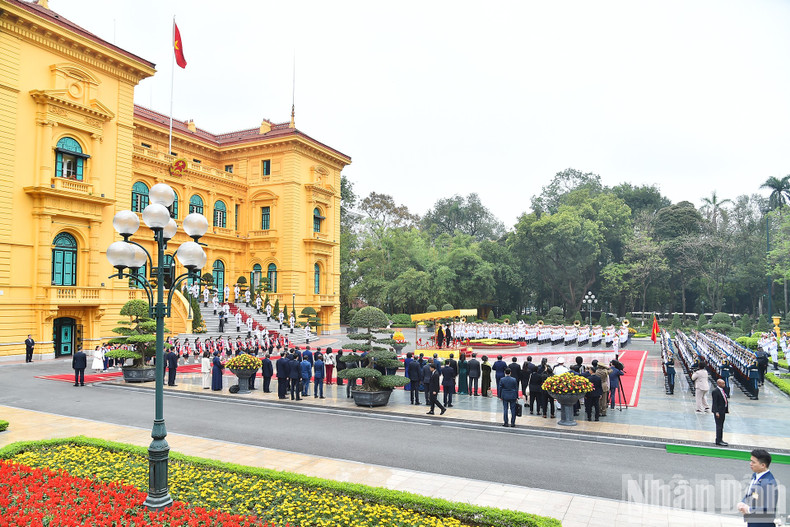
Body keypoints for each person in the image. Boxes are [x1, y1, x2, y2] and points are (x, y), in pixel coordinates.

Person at [737, 449, 778, 527]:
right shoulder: (755, 475)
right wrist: (743, 502)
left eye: (753, 462)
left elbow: (769, 508)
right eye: (751, 461)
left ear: (763, 465)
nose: (750, 464)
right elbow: (752, 493)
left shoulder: (769, 484)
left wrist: (749, 509)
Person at [711, 378, 729, 446]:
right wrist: (716, 412)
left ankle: (720, 439)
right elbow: (714, 403)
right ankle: (718, 440)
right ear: (719, 384)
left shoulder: (722, 390)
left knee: (721, 426)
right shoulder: (715, 391)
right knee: (719, 426)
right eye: (723, 383)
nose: (724, 385)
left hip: (723, 411)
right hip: (719, 411)